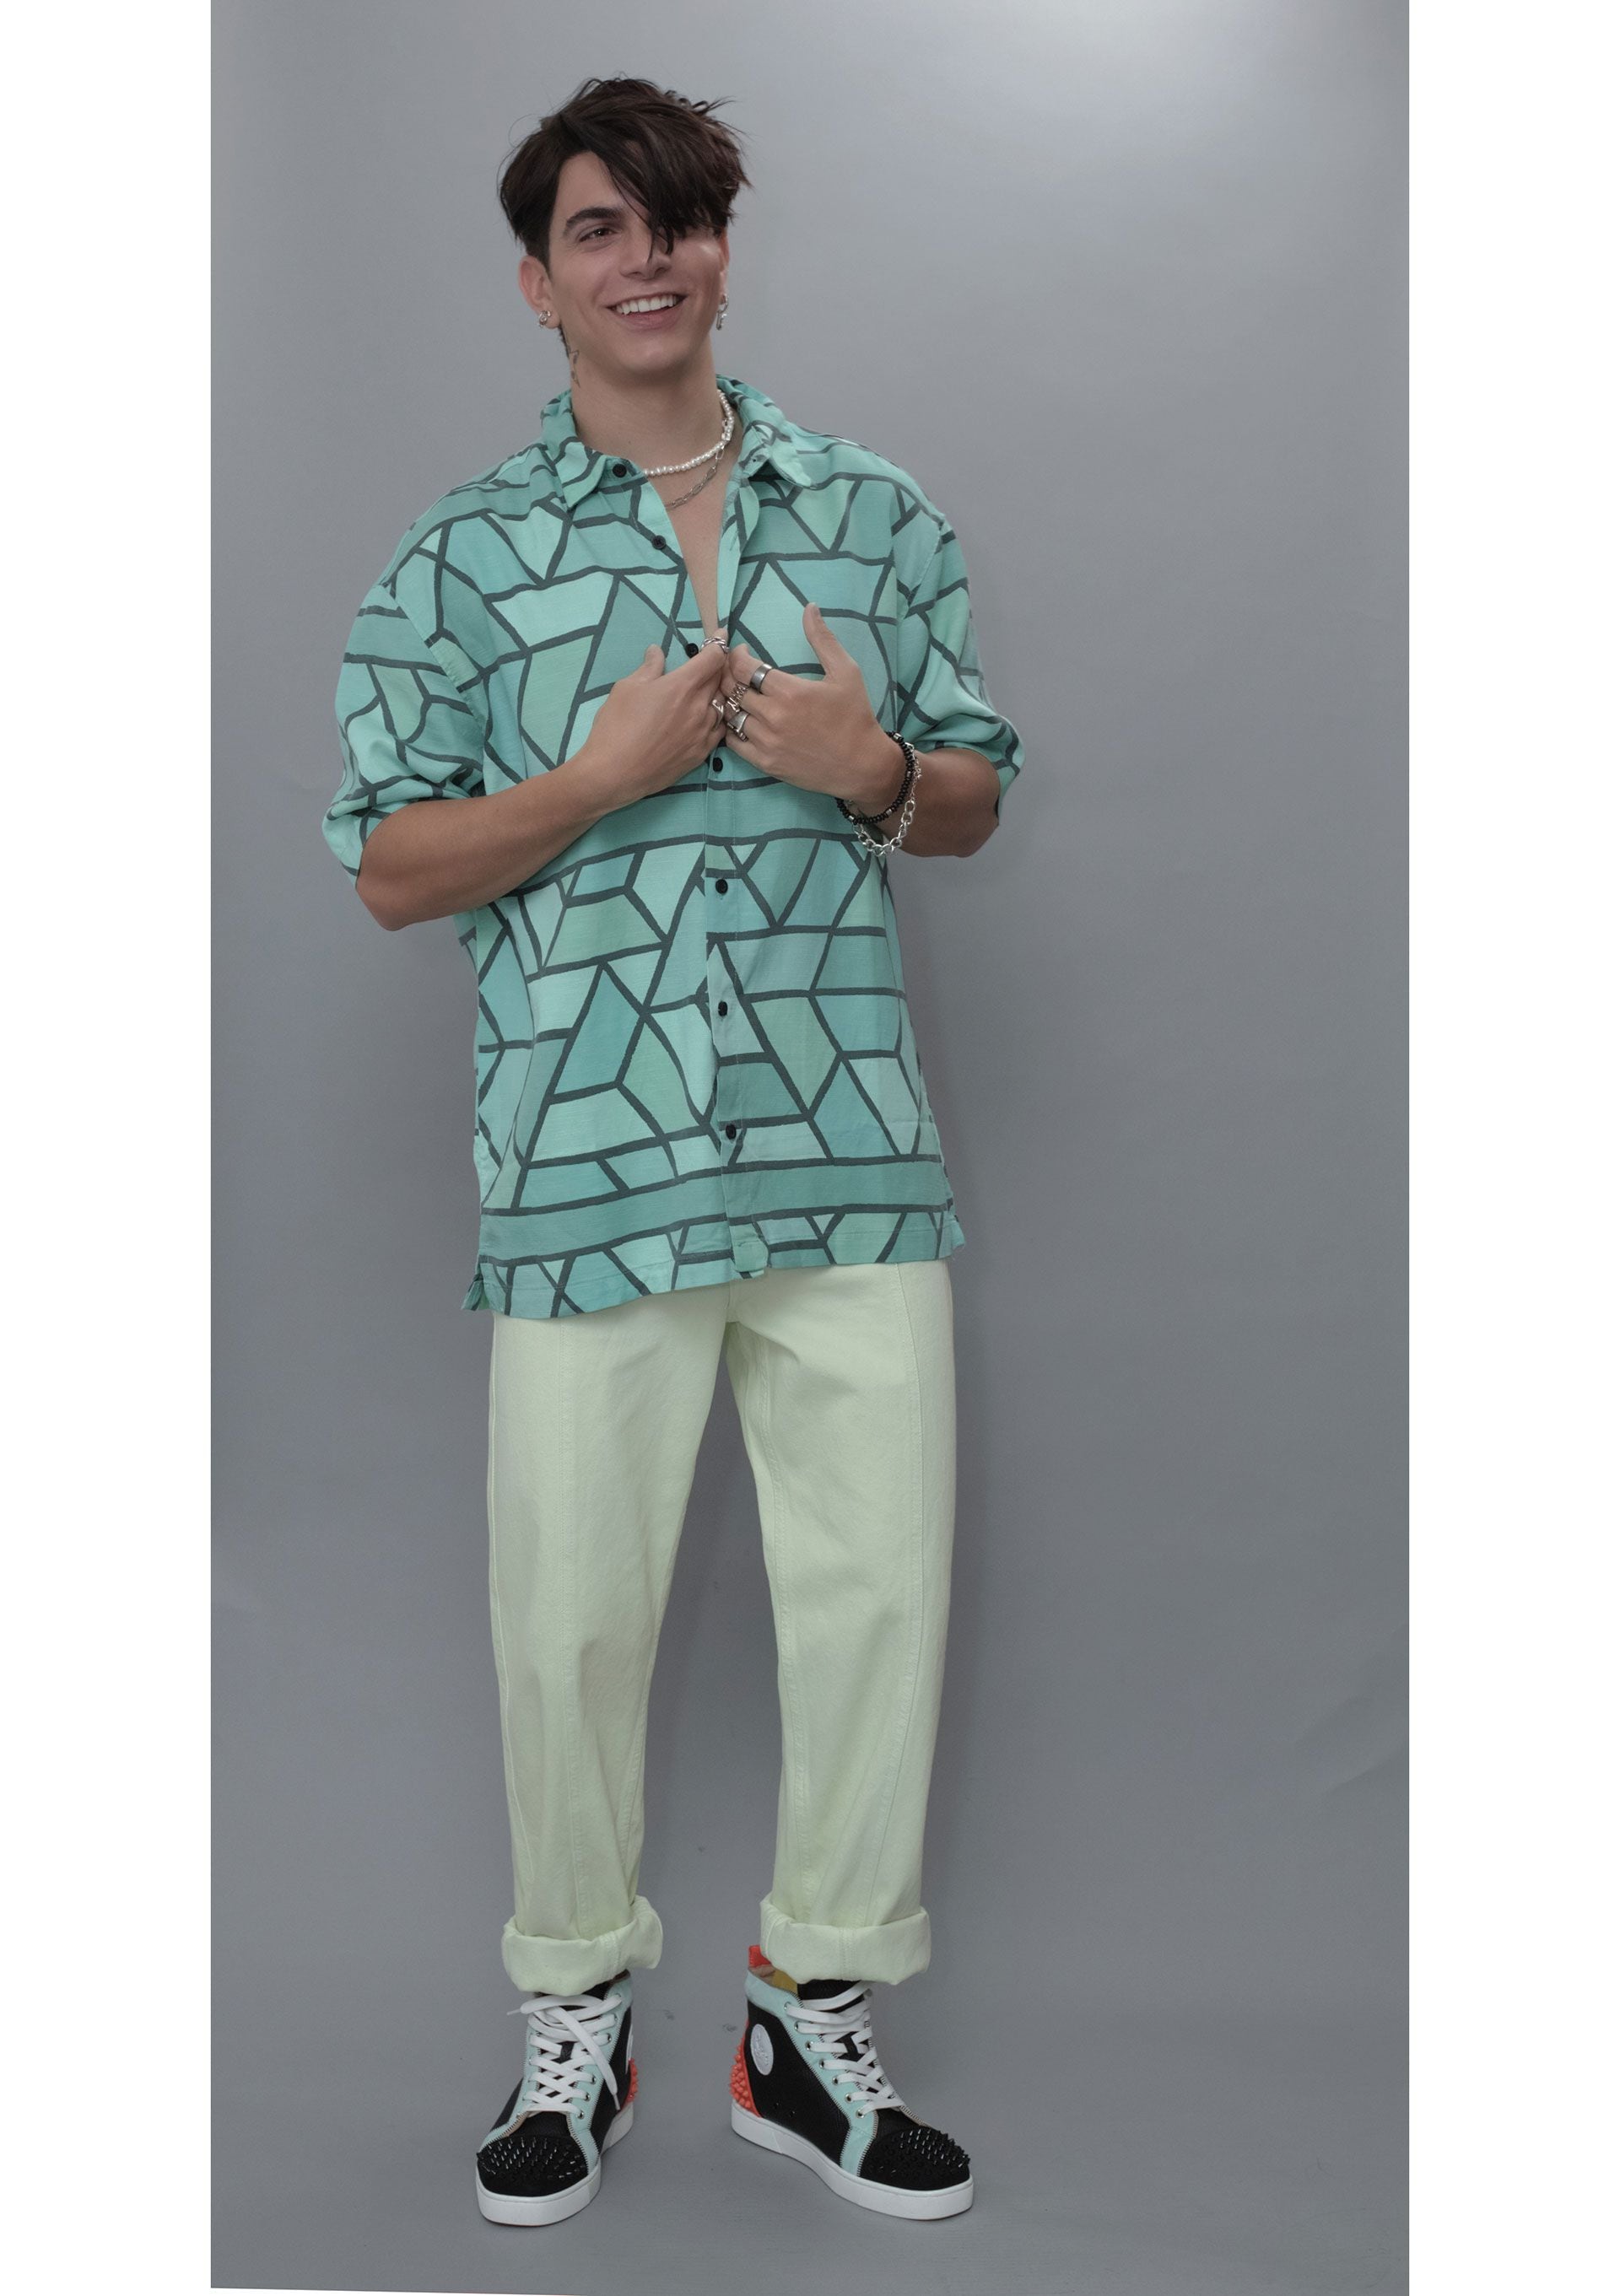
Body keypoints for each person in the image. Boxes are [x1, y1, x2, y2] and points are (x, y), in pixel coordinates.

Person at [321, 74, 1023, 2229]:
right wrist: (601, 777)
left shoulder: (877, 515)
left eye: (685, 221)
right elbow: (390, 864)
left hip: (846, 1156)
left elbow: (976, 789)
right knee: (569, 1623)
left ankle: (808, 2018)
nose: (653, 260)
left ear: (727, 248)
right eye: (605, 229)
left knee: (881, 1597)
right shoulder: (458, 557)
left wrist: (872, 765)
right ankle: (575, 2013)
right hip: (583, 1166)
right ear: (539, 282)